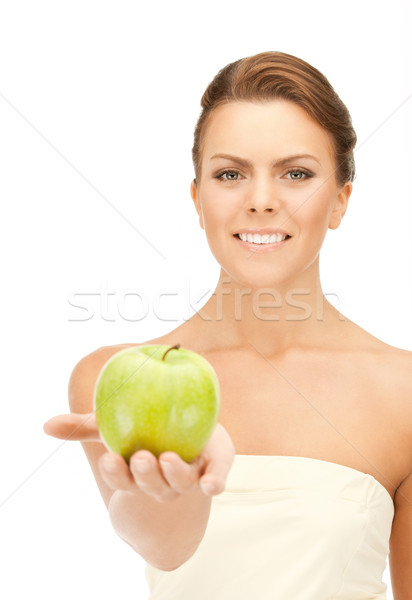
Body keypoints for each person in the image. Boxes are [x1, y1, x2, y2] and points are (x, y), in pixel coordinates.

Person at [43, 50, 412, 599]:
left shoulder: (403, 392)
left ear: (340, 200)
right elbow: (164, 548)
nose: (261, 201)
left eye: (296, 174)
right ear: (198, 199)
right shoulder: (110, 377)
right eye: (230, 173)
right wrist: (169, 492)